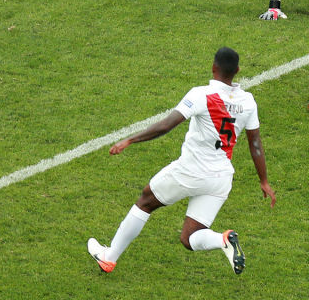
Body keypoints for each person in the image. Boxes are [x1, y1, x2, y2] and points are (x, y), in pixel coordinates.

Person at [87, 47, 276, 275]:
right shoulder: (248, 101)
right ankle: (223, 239)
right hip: (221, 180)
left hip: (191, 171)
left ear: (213, 68)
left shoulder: (201, 94)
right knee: (190, 237)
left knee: (146, 200)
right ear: (237, 70)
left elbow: (166, 125)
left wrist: (130, 140)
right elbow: (255, 142)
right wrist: (264, 180)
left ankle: (109, 257)